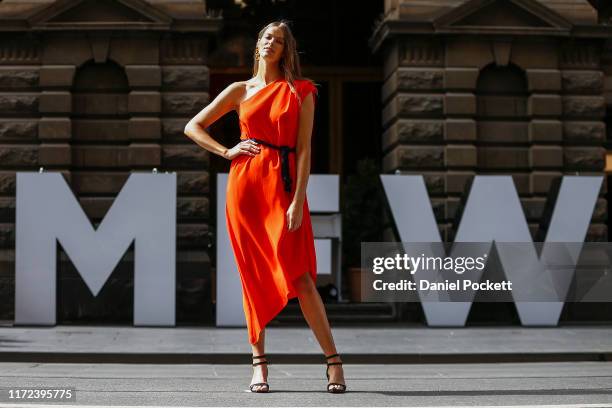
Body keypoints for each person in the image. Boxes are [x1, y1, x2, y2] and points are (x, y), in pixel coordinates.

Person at [184, 20, 347, 394]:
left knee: (302, 278)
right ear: (258, 44)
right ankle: (259, 365)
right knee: (251, 277)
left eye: (280, 40)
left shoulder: (299, 91)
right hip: (245, 189)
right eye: (267, 37)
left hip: (284, 187)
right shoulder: (239, 90)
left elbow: (305, 151)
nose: (272, 43)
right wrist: (227, 151)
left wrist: (298, 199)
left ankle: (334, 362)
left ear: (287, 50)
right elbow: (193, 126)